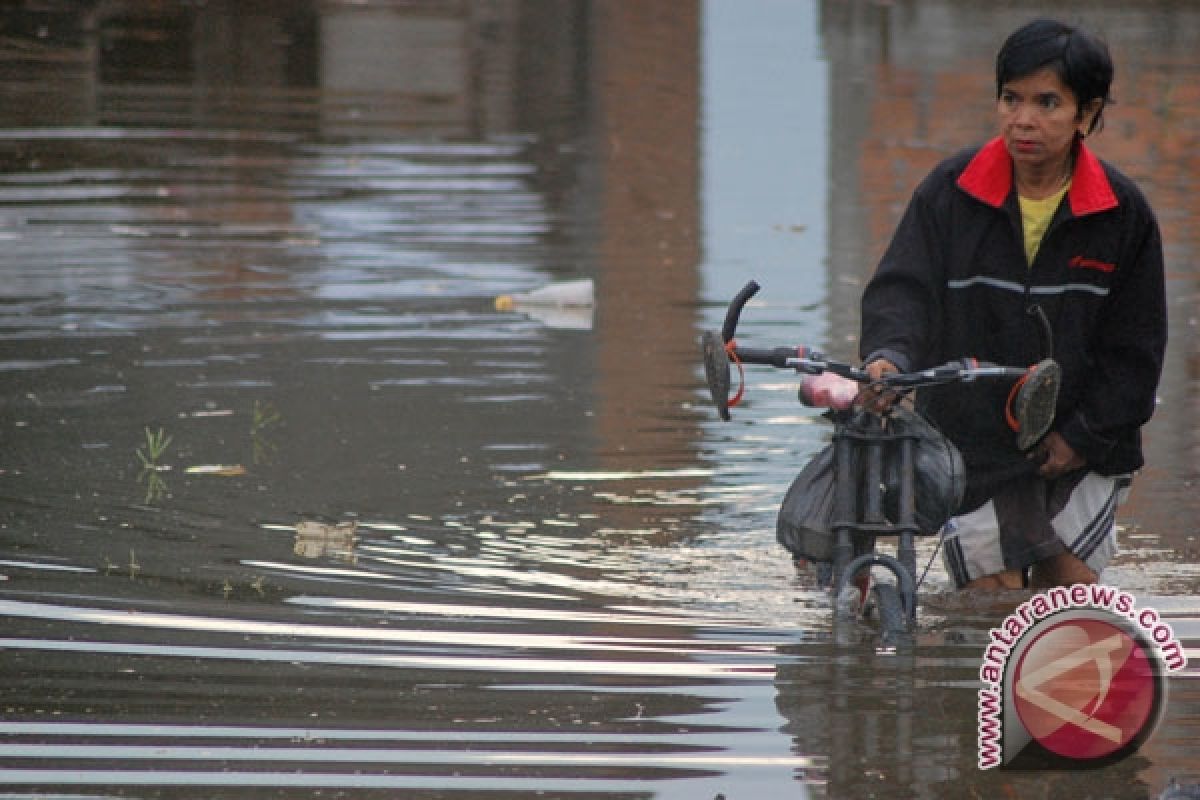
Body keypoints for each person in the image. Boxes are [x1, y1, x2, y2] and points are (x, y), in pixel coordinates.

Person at [857, 19, 1167, 590]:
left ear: (1086, 114)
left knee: (1068, 594)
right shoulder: (948, 194)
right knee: (990, 597)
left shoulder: (1124, 215)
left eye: (1048, 102)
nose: (1023, 119)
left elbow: (1135, 355)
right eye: (1011, 98)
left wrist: (1080, 439)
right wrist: (888, 358)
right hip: (970, 449)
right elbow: (903, 293)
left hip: (1086, 446)